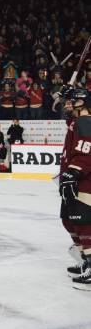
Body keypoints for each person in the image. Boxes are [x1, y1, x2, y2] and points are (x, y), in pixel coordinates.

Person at [58, 87, 91, 290]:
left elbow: (87, 151)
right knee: (68, 220)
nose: (67, 105)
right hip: (72, 180)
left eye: (71, 101)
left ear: (83, 103)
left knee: (84, 224)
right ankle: (86, 261)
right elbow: (69, 123)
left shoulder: (86, 121)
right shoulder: (76, 122)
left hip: (84, 182)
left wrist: (74, 172)